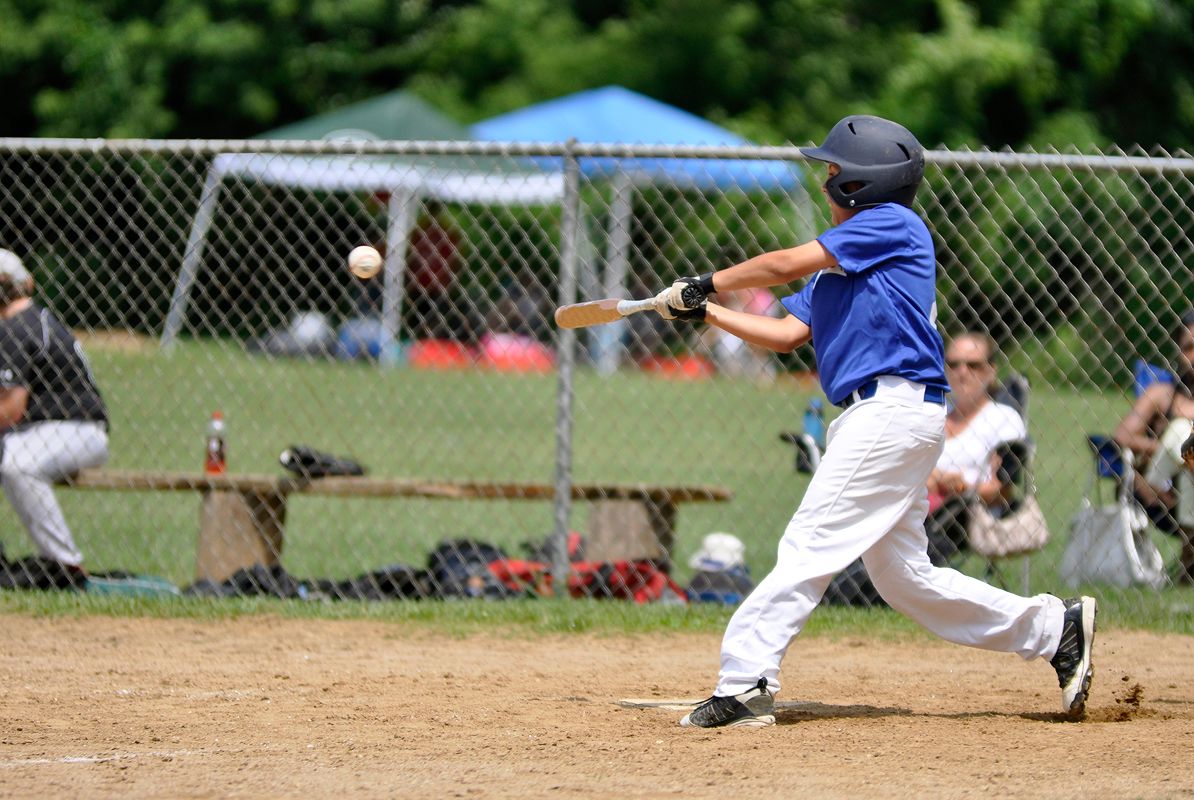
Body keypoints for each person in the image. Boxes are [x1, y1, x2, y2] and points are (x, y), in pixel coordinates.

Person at [651, 115, 1096, 728]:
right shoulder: (840, 265)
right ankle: (1054, 626)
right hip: (885, 416)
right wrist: (709, 313)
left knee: (809, 544)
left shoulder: (890, 224)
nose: (825, 180)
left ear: (862, 183)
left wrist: (708, 281)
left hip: (890, 411)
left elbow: (780, 263)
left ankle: (745, 682)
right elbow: (785, 334)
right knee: (904, 577)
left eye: (832, 171)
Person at [0, 249, 109, 589]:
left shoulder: (14, 329)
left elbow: (12, 408)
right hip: (66, 431)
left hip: (74, 431)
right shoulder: (36, 318)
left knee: (17, 464)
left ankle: (66, 563)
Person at [923, 331, 1028, 565]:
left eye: (973, 365)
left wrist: (958, 487)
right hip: (918, 504)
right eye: (953, 364)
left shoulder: (1004, 419)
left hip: (964, 514)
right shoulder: (933, 414)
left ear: (991, 370)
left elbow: (1002, 491)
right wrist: (937, 479)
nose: (962, 372)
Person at [1115, 310, 1194, 535]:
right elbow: (1122, 436)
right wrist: (1169, 448)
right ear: (1179, 353)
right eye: (1189, 347)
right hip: (1163, 493)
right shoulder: (1162, 395)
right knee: (1180, 433)